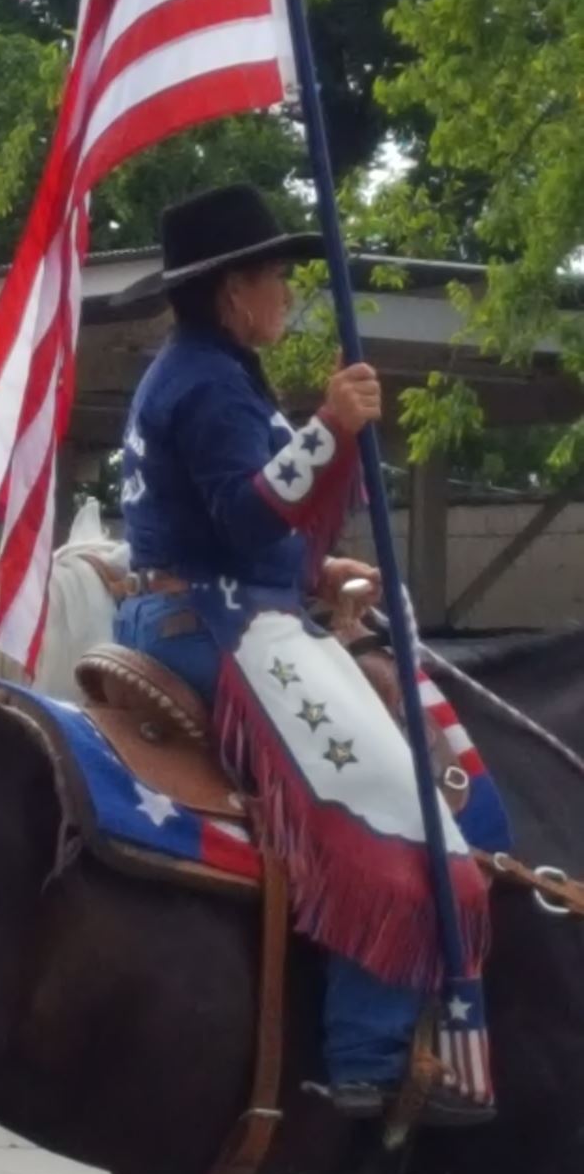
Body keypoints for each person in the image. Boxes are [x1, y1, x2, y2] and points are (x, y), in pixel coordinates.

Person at [115, 183, 494, 1123]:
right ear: (234, 289)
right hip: (219, 627)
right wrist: (329, 429)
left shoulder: (204, 371)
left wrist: (313, 572)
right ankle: (367, 1059)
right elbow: (246, 514)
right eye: (277, 277)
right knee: (390, 813)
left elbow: (234, 526)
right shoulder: (204, 379)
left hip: (217, 606)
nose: (286, 294)